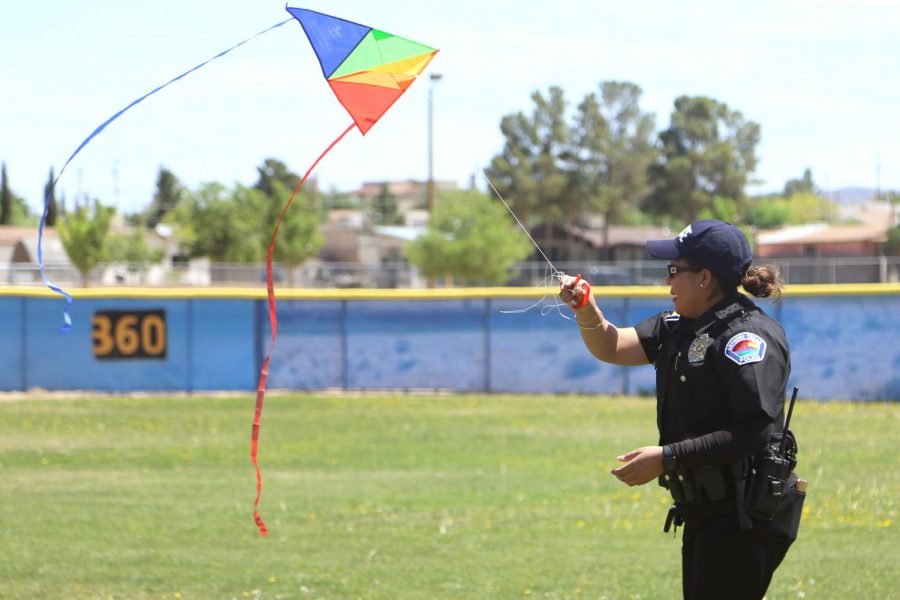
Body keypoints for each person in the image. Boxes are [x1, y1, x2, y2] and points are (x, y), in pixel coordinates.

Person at [559, 220, 805, 600]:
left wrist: (668, 457)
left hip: (741, 515)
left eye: (674, 270)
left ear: (704, 277)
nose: (667, 281)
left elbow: (754, 432)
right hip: (707, 511)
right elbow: (612, 345)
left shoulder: (745, 336)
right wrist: (586, 308)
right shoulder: (681, 326)